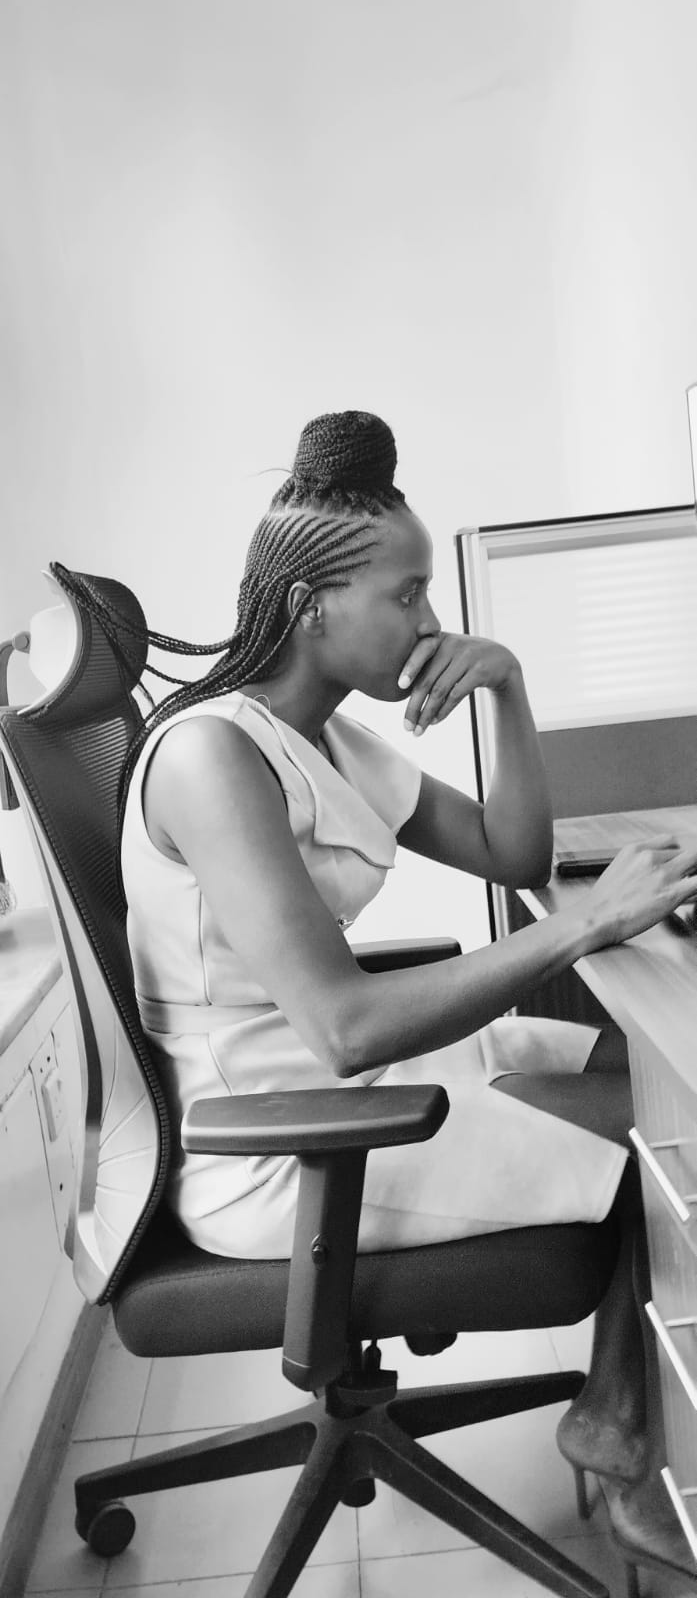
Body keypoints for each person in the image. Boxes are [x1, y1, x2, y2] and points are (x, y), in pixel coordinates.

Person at [108, 410, 696, 1577]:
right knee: (668, 1140)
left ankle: (613, 1404)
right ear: (311, 606)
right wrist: (585, 926)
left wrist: (507, 690)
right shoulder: (215, 756)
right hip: (288, 1142)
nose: (432, 621)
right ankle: (625, 1431)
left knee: (649, 1080)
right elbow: (344, 1026)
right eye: (409, 593)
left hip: (362, 1086)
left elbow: (513, 855)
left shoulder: (316, 737)